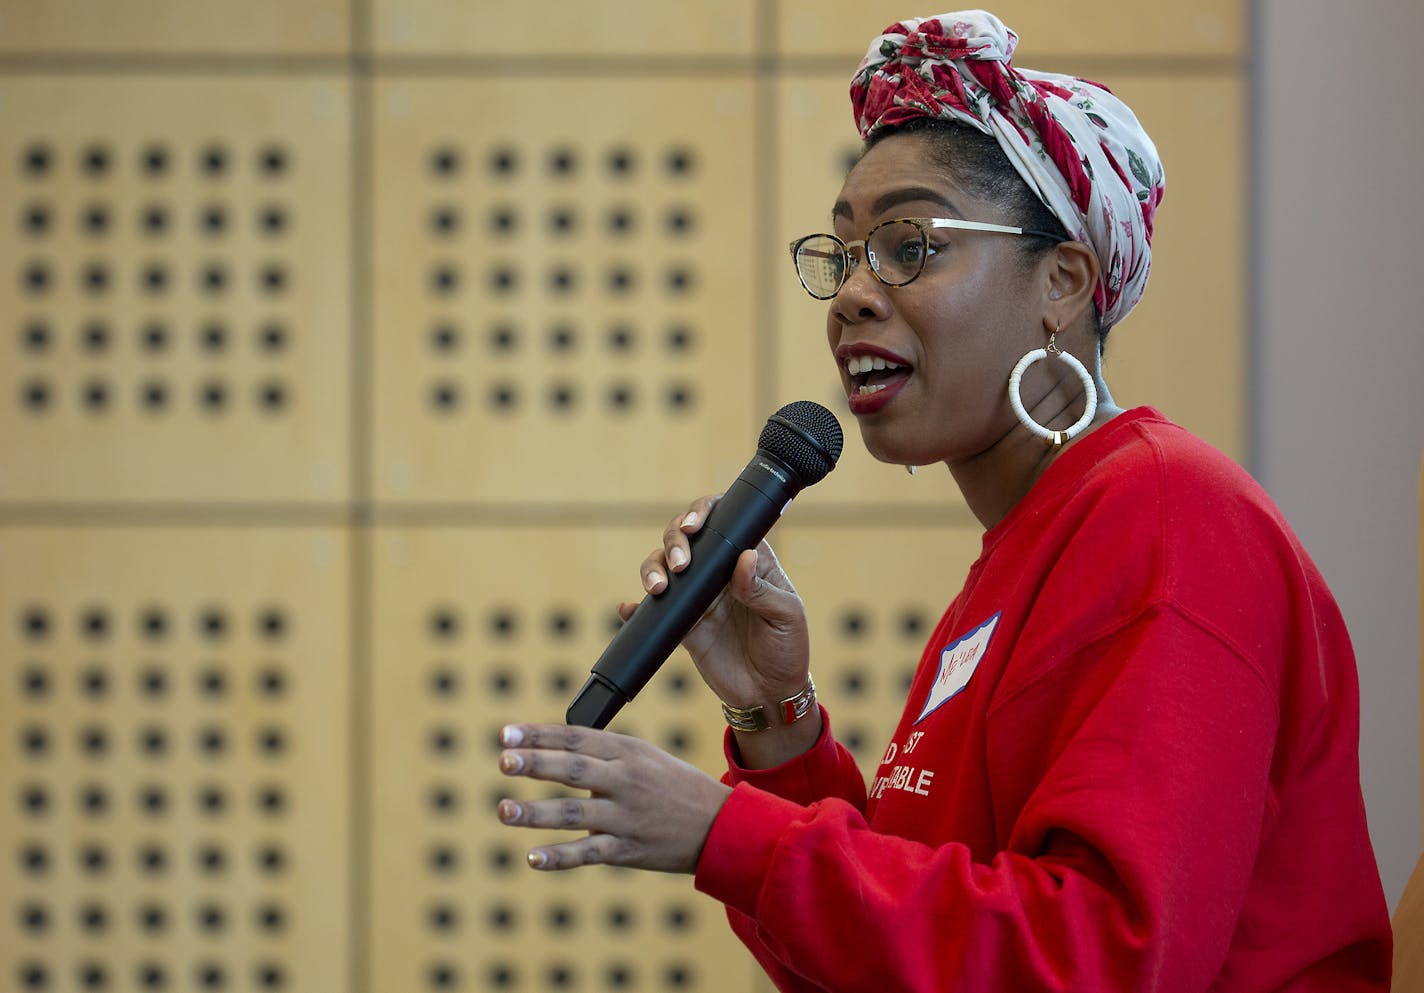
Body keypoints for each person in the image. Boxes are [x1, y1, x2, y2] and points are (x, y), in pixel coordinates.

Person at [495, 10, 1393, 990]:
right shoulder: (1018, 557)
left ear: (1060, 282)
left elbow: (1099, 959)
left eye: (909, 246)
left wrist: (726, 834)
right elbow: (899, 959)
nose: (849, 295)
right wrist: (774, 720)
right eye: (843, 254)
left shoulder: (1169, 518)